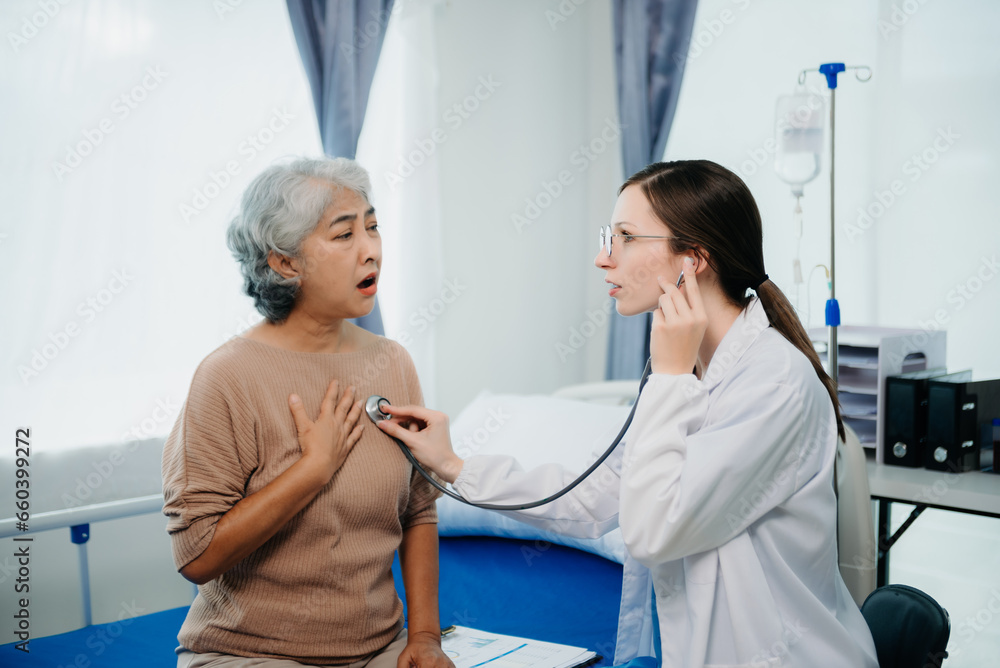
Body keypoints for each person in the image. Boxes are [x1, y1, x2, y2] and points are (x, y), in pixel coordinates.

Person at [376, 160, 879, 667]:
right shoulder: (693, 372)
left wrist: (669, 379)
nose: (602, 258)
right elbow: (597, 495)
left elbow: (652, 530)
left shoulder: (774, 383)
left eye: (625, 237)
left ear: (694, 259)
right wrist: (455, 466)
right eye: (607, 236)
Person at [161, 157, 454, 668]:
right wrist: (311, 471)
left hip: (378, 651)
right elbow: (197, 557)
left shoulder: (391, 362)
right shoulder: (227, 376)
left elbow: (418, 511)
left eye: (373, 227)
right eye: (344, 236)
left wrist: (424, 637)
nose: (372, 250)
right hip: (250, 655)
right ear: (284, 264)